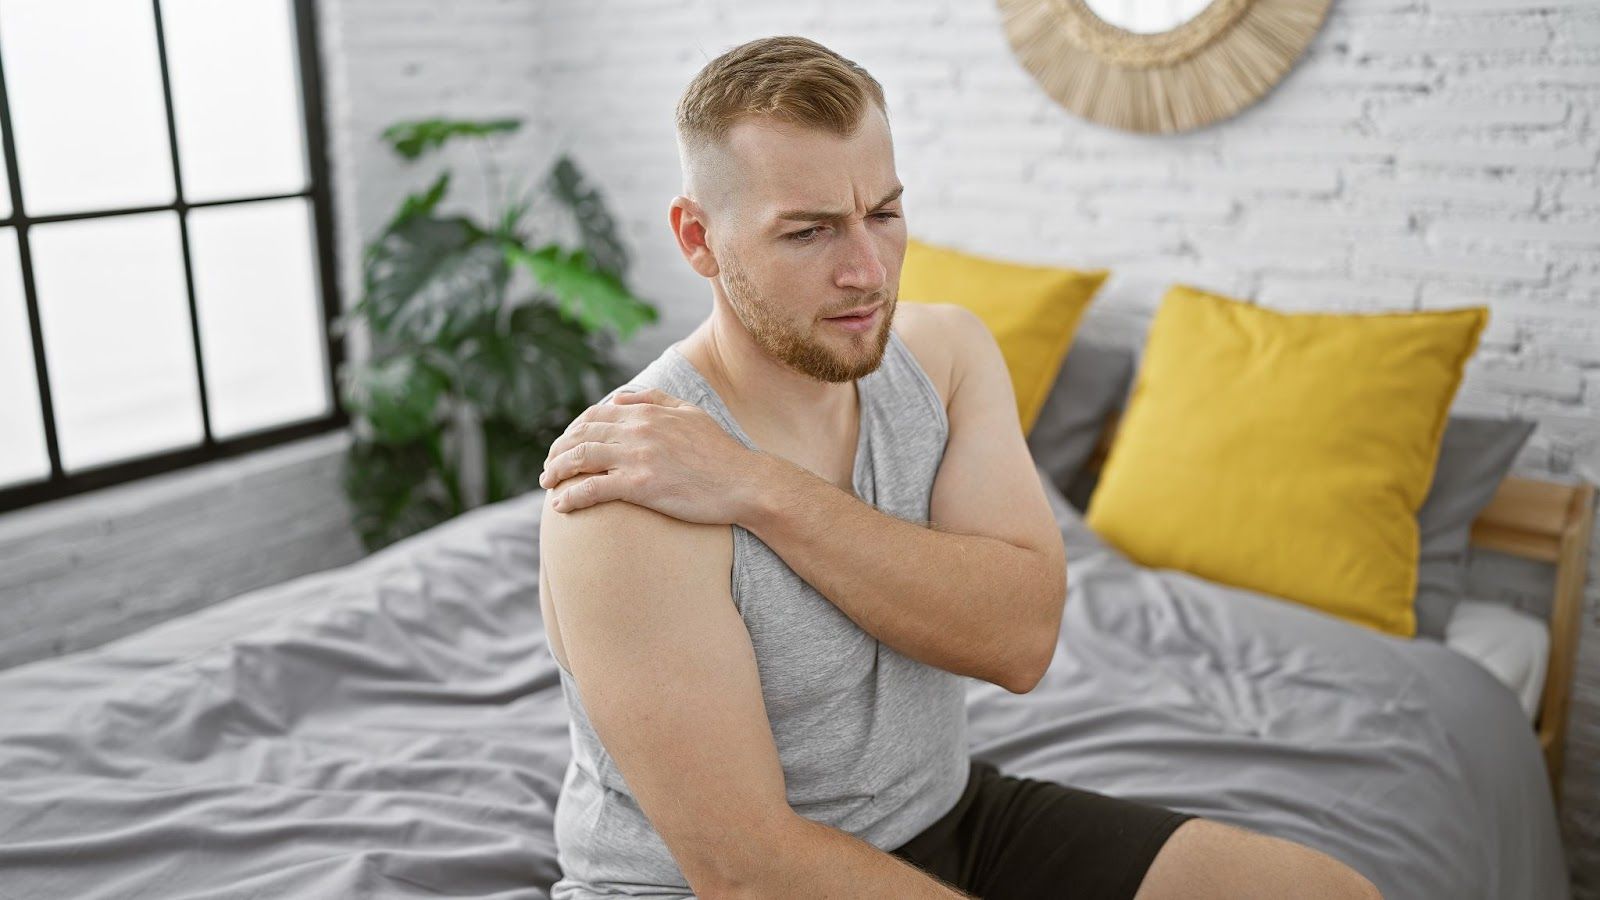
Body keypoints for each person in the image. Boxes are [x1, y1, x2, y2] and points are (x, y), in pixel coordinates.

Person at [536, 34, 1383, 900]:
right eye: (809, 231)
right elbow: (747, 870)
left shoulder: (946, 360)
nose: (866, 271)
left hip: (947, 816)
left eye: (885, 214)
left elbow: (1020, 643)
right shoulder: (621, 492)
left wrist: (757, 487)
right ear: (698, 238)